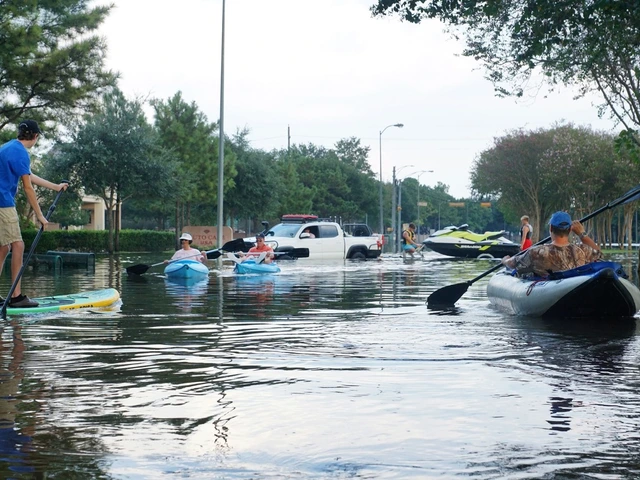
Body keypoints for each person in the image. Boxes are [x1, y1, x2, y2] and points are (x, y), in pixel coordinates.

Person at [0, 120, 69, 308]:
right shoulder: (21, 152)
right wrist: (40, 215)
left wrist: (55, 187)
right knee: (18, 245)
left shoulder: (8, 147)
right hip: (3, 203)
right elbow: (28, 187)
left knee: (4, 247)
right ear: (36, 136)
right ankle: (16, 297)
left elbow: (28, 175)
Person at [501, 211, 601, 277]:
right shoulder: (583, 250)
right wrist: (581, 233)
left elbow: (512, 264)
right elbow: (598, 254)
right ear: (570, 230)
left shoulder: (537, 252)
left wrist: (505, 260)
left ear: (551, 228)